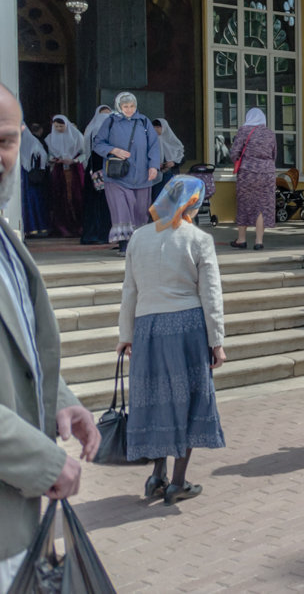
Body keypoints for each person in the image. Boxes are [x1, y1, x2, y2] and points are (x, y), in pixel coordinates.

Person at [0, 84, 99, 591]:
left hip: (14, 527)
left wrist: (59, 398)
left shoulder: (7, 241)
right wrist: (43, 462)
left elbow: (18, 342)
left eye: (4, 141)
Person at [116, 175, 226, 505]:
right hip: (187, 326)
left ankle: (156, 475)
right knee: (189, 399)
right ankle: (177, 481)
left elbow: (129, 290)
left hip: (147, 327)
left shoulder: (138, 237)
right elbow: (210, 294)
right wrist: (217, 341)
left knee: (157, 400)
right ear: (193, 201)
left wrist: (125, 334)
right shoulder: (198, 239)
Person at [92, 91, 160, 256]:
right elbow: (97, 143)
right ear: (119, 107)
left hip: (142, 176)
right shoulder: (110, 122)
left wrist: (154, 166)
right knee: (121, 208)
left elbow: (154, 146)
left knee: (140, 210)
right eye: (125, 106)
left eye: (132, 106)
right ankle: (124, 244)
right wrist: (113, 150)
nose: (129, 110)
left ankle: (138, 245)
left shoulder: (144, 122)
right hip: (117, 176)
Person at [229, 107, 276, 250]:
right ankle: (259, 241)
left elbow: (234, 153)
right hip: (267, 173)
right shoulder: (270, 133)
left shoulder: (244, 130)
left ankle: (241, 240)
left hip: (247, 172)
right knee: (261, 207)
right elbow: (274, 154)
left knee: (244, 203)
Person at [45, 114, 86, 237]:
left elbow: (84, 153)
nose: (58, 129)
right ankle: (63, 227)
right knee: (60, 198)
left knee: (77, 197)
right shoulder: (50, 138)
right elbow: (49, 156)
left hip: (75, 170)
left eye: (61, 126)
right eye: (56, 126)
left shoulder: (77, 136)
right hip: (59, 171)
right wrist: (54, 159)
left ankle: (79, 226)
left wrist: (73, 160)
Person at [79, 105, 113, 245]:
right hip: (104, 171)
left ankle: (95, 233)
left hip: (94, 172)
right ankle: (101, 233)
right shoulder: (108, 132)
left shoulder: (90, 130)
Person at [20, 123, 50, 239]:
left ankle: (33, 228)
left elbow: (42, 157)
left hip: (29, 178)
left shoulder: (33, 142)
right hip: (27, 177)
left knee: (31, 201)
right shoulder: (33, 141)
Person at [150, 118, 185, 201]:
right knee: (157, 200)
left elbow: (182, 158)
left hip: (171, 174)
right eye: (154, 127)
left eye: (158, 127)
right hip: (157, 177)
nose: (156, 129)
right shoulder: (152, 141)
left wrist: (173, 163)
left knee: (170, 201)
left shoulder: (173, 141)